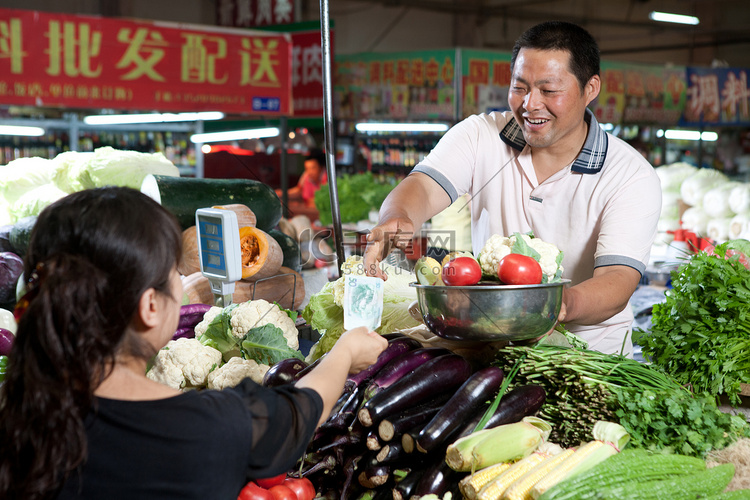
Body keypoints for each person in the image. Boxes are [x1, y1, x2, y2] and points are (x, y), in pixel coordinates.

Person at [0, 186, 388, 500]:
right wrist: (346, 352)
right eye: (172, 271)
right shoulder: (206, 427)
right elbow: (299, 412)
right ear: (149, 306)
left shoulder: (18, 414)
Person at [364, 21, 661, 356]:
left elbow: (618, 280)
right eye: (520, 87)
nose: (530, 104)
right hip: (489, 347)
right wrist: (397, 217)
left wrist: (556, 305)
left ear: (590, 88)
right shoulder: (480, 134)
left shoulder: (629, 174)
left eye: (549, 91)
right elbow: (423, 186)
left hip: (590, 359)